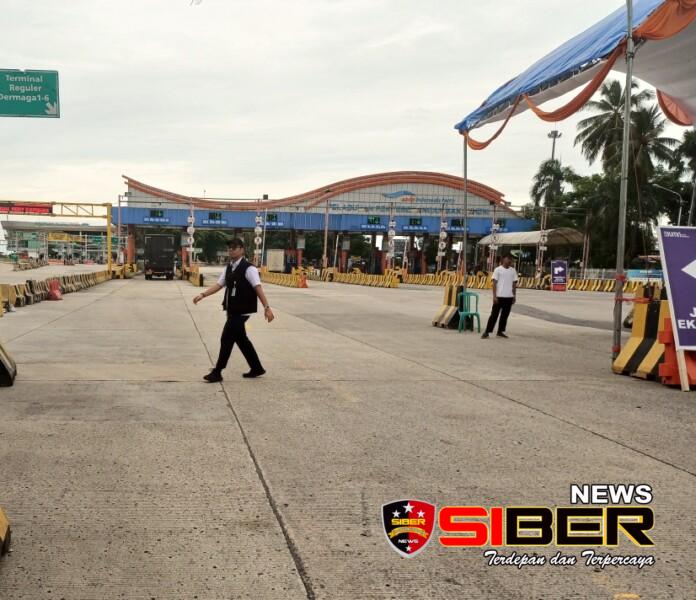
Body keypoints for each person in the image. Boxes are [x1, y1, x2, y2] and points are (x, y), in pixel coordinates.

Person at [193, 238, 274, 382]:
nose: (231, 250)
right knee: (242, 340)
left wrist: (267, 308)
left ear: (242, 250)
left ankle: (217, 372)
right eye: (229, 248)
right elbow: (219, 285)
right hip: (232, 309)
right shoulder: (229, 268)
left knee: (226, 338)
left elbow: (258, 288)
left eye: (234, 247)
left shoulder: (249, 269)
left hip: (242, 311)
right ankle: (256, 367)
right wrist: (203, 295)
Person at [481, 253, 518, 339]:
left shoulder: (513, 271)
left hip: (509, 297)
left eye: (511, 259)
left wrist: (514, 296)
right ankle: (487, 331)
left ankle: (500, 331)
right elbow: (494, 284)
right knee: (494, 315)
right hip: (499, 296)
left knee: (505, 316)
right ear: (503, 259)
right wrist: (494, 296)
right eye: (508, 259)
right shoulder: (498, 270)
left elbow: (514, 284)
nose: (510, 261)